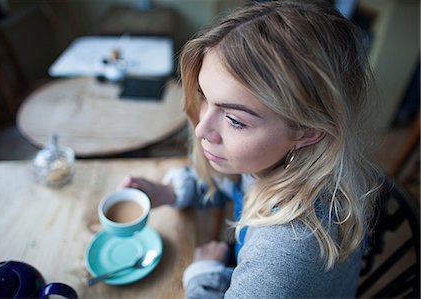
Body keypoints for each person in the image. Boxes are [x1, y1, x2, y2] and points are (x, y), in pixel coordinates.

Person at [119, 0, 382, 297]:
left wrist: (204, 277)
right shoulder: (277, 159)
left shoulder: (283, 254)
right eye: (204, 96)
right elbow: (231, 182)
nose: (201, 129)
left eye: (233, 119)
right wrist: (169, 192)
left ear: (308, 131)